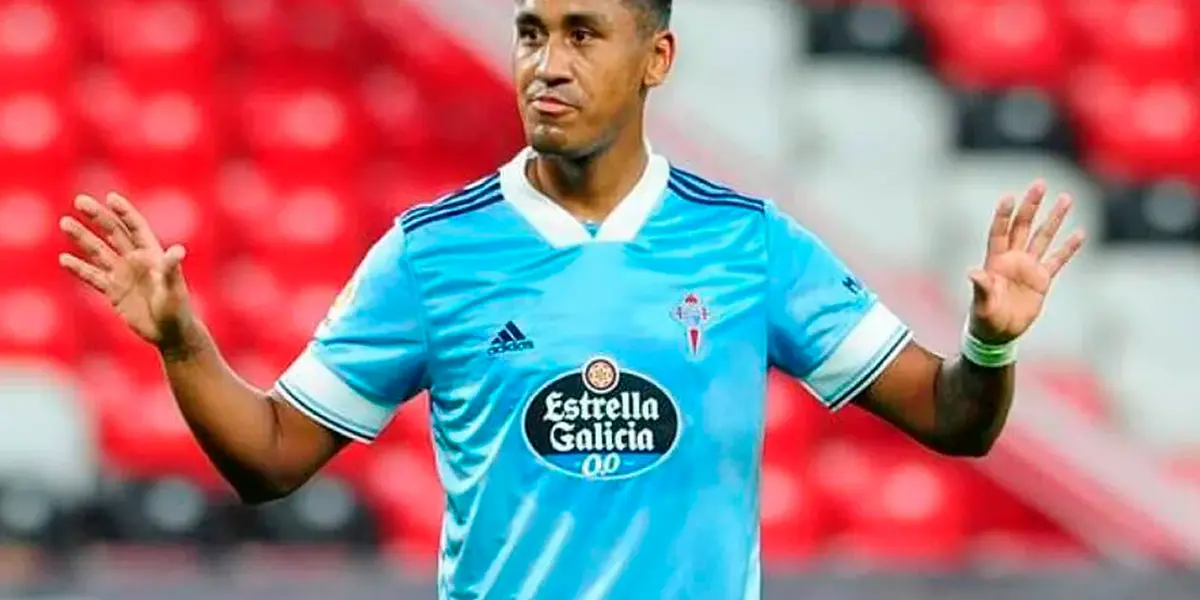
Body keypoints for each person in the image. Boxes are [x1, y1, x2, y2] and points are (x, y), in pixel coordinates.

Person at [57, 0, 1086, 597]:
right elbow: (272, 458)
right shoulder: (433, 252)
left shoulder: (749, 244)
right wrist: (182, 341)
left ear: (656, 59)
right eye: (531, 33)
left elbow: (952, 420)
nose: (547, 66)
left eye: (584, 34)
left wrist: (990, 346)